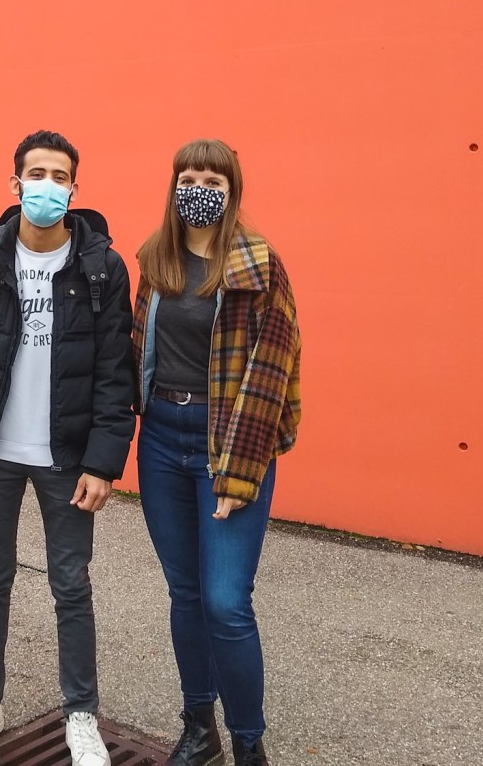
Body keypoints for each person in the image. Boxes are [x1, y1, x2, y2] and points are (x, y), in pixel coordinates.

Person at [0, 130, 136, 766]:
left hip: (66, 458)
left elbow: (115, 374)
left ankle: (81, 715)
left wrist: (103, 462)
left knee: (71, 584)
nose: (47, 186)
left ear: (75, 188)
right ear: (15, 183)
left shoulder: (102, 267)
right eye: (36, 174)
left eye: (60, 176)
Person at [133, 139, 302, 766]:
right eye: (188, 178)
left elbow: (273, 369)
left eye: (212, 180)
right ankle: (199, 728)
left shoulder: (259, 264)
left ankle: (249, 745)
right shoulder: (156, 259)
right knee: (185, 593)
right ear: (173, 186)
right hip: (161, 438)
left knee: (226, 602)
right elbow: (136, 349)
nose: (198, 189)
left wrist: (240, 472)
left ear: (231, 191)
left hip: (227, 440)